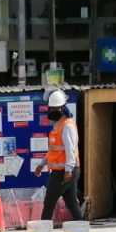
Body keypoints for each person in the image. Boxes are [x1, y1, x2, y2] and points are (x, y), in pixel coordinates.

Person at [34, 89, 83, 223]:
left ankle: (43, 231)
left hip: (64, 172)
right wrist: (41, 164)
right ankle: (82, 227)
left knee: (49, 202)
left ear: (62, 108)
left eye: (56, 108)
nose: (53, 111)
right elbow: (53, 151)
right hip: (63, 171)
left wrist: (68, 170)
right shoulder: (58, 125)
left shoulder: (67, 126)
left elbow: (70, 150)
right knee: (71, 203)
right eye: (51, 108)